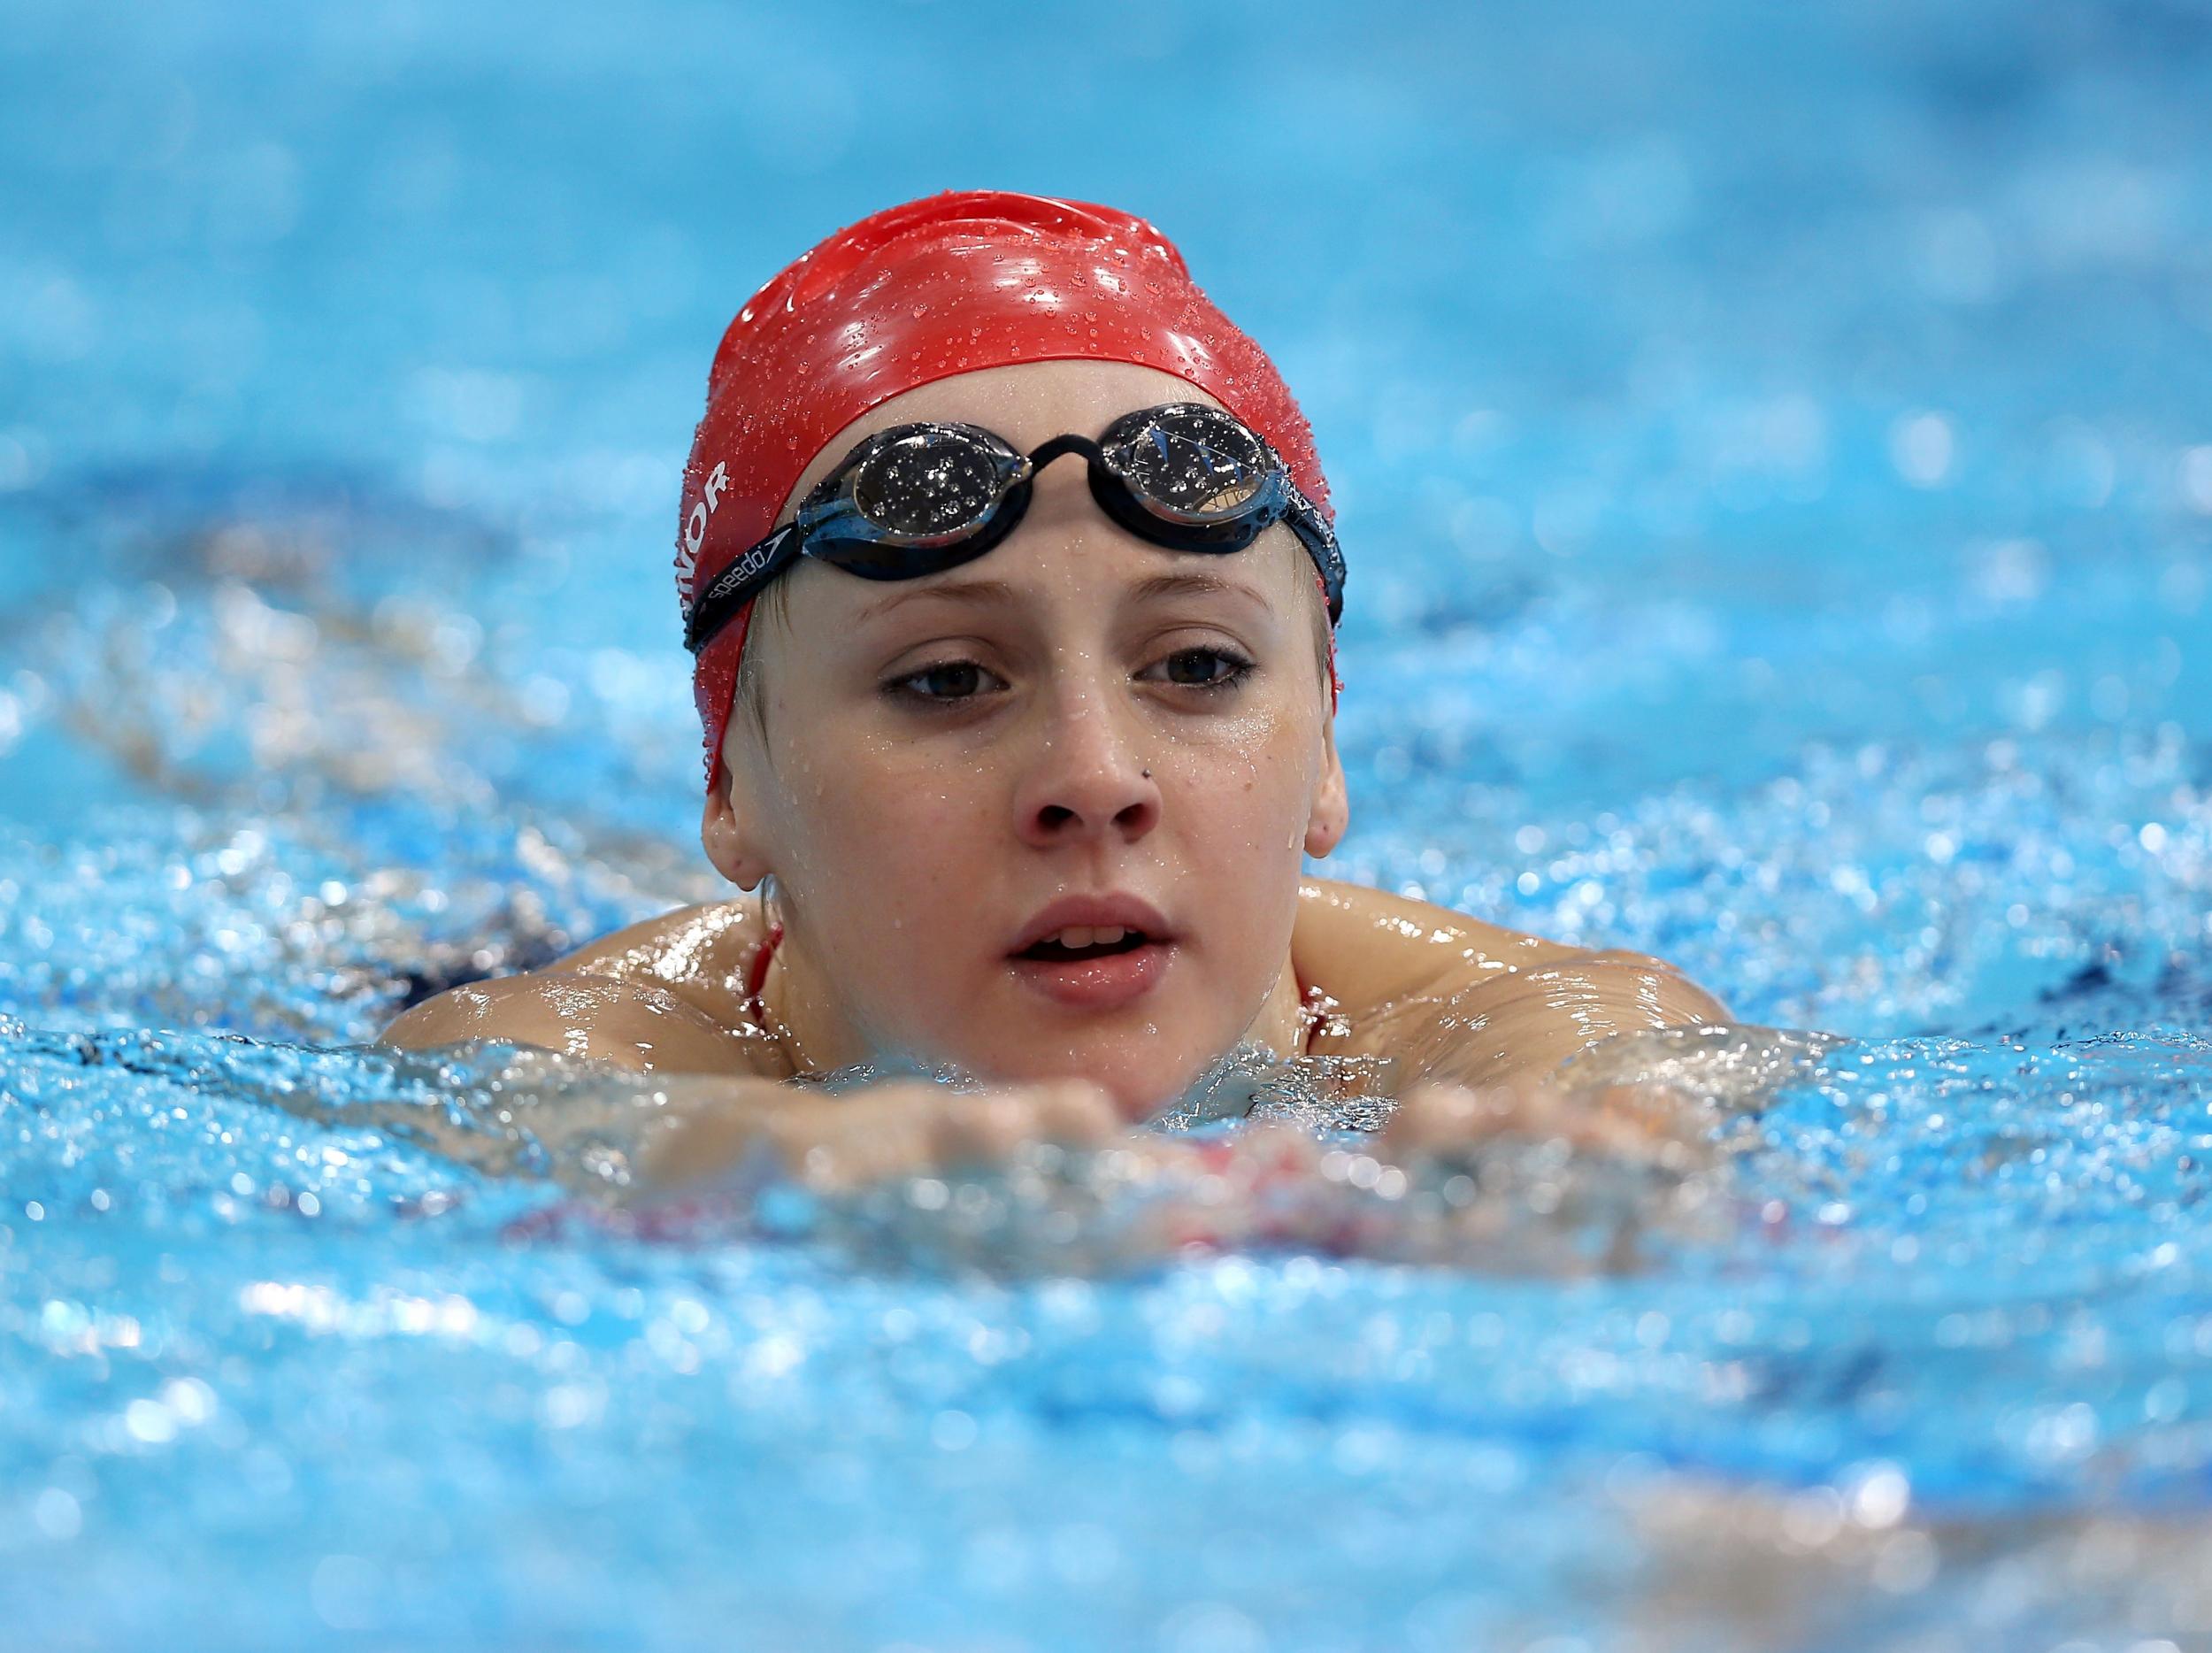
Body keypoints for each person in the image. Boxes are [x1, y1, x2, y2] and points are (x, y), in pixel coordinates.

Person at [380, 191, 1729, 1196]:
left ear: (1325, 741)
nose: (1096, 778)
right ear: (730, 784)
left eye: (1198, 667)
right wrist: (765, 1163)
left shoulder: (1502, 1028)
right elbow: (500, 1098)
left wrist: (1607, 1173)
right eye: (949, 679)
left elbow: (1635, 1084)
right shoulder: (592, 1047)